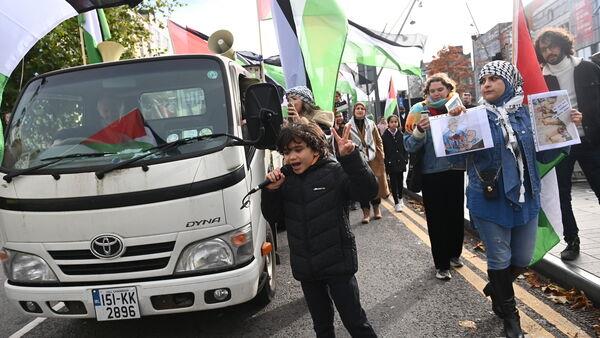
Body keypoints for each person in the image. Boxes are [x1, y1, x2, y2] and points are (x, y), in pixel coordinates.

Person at [449, 60, 581, 337]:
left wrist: (566, 127)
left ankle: (498, 285)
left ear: (510, 83)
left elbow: (545, 156)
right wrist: (453, 127)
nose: (486, 84)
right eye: (483, 80)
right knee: (499, 257)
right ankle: (511, 317)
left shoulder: (529, 114)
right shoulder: (472, 117)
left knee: (521, 257)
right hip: (488, 200)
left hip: (527, 197)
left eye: (494, 79)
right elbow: (457, 160)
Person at [261, 123, 378, 338]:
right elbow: (275, 218)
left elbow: (368, 191)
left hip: (338, 265)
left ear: (315, 149)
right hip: (307, 268)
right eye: (287, 152)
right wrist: (270, 192)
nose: (292, 157)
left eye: (298, 150)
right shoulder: (286, 180)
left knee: (355, 322)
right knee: (322, 327)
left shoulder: (335, 172)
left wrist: (351, 158)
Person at [534, 27, 600, 261]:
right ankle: (571, 240)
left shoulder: (586, 68)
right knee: (562, 193)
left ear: (563, 45)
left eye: (552, 46)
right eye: (544, 49)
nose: (549, 52)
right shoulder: (539, 78)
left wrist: (587, 118)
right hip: (559, 143)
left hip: (591, 139)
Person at [403, 73, 466, 281]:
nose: (437, 93)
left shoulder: (458, 107)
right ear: (427, 93)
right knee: (437, 219)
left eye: (440, 89)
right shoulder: (418, 110)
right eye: (432, 91)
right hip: (431, 173)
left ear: (449, 89)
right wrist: (420, 130)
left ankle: (454, 254)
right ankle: (441, 264)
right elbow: (408, 145)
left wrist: (463, 118)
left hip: (455, 170)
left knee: (456, 216)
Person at [348, 102, 390, 224]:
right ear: (354, 111)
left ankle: (377, 209)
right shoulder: (348, 126)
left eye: (362, 109)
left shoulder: (371, 124)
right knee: (362, 186)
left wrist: (381, 154)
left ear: (365, 111)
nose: (360, 110)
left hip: (374, 159)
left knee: (375, 185)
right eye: (357, 108)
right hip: (358, 160)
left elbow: (379, 140)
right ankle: (366, 213)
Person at [381, 114, 407, 212]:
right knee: (393, 182)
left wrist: (405, 159)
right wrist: (386, 161)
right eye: (391, 122)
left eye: (395, 122)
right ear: (388, 123)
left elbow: (405, 148)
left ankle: (400, 198)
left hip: (400, 162)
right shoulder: (384, 136)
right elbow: (384, 150)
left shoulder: (401, 134)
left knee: (400, 181)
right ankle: (396, 202)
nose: (393, 124)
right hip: (391, 163)